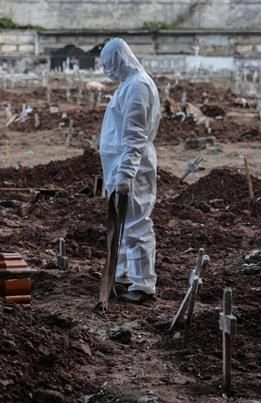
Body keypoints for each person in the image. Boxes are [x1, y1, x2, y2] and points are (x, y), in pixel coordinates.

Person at [99, 38, 161, 304]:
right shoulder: (130, 85)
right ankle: (124, 275)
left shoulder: (137, 87)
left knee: (136, 225)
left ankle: (143, 284)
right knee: (124, 225)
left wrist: (125, 174)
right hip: (121, 166)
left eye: (109, 65)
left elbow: (134, 136)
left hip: (132, 169)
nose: (107, 71)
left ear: (120, 60)